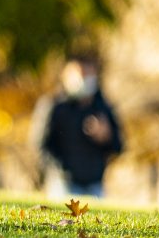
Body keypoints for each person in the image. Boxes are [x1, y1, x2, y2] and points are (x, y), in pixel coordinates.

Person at [33, 53, 123, 199]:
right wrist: (59, 169)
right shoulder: (54, 106)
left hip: (95, 185)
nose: (85, 80)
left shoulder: (103, 108)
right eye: (80, 74)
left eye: (89, 74)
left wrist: (106, 136)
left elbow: (118, 147)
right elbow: (40, 145)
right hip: (63, 184)